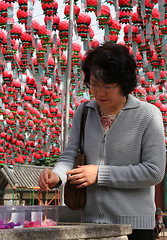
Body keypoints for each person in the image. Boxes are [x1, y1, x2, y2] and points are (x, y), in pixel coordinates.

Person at [38, 42, 166, 240]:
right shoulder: (84, 112)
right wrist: (56, 176)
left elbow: (154, 172)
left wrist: (99, 174)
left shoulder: (148, 115)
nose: (99, 92)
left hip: (134, 226)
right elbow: (71, 154)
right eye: (94, 84)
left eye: (107, 86)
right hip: (89, 224)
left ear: (124, 83)